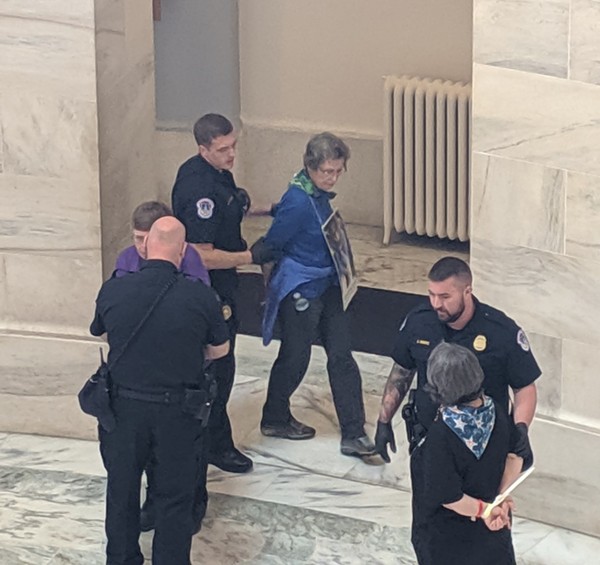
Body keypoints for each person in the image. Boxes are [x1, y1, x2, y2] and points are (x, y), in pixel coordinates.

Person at [374, 256, 540, 562]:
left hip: (486, 451)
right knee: (429, 530)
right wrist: (384, 419)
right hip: (430, 441)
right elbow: (402, 370)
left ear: (467, 291)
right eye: (432, 295)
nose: (437, 304)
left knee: (489, 535)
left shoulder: (500, 331)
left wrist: (520, 430)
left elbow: (525, 387)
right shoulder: (419, 321)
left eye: (445, 296)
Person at [90, 217, 230, 565]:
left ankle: (121, 558)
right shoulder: (200, 296)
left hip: (122, 409)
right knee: (174, 496)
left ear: (146, 245)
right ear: (183, 251)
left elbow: (102, 333)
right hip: (178, 412)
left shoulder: (114, 289)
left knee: (121, 490)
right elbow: (220, 349)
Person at [257, 132, 376, 458]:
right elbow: (274, 242)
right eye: (326, 171)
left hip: (328, 284)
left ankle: (354, 431)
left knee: (341, 355)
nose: (332, 177)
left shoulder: (315, 195)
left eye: (338, 171)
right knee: (296, 357)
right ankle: (275, 415)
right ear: (310, 166)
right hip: (302, 290)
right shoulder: (297, 201)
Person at [171, 113, 276, 474]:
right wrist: (250, 257)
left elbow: (233, 206)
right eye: (223, 149)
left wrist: (271, 208)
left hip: (226, 285)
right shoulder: (199, 189)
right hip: (211, 292)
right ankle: (215, 444)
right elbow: (200, 253)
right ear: (203, 149)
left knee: (224, 367)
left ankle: (214, 437)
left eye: (233, 146)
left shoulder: (217, 175)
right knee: (218, 369)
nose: (231, 154)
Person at [114, 201, 211, 534]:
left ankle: (193, 503)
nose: (142, 246)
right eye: (137, 238)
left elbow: (203, 315)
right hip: (140, 371)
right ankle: (152, 503)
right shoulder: (126, 260)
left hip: (180, 369)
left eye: (147, 238)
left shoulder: (190, 260)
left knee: (185, 452)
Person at [419, 342, 524, 565]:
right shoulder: (497, 409)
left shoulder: (443, 434)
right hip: (495, 531)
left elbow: (448, 496)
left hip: (452, 539)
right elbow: (515, 458)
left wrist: (485, 510)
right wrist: (499, 501)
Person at [114, 200, 210, 285]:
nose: (143, 246)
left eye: (150, 239)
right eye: (139, 238)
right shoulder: (127, 257)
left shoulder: (188, 256)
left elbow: (200, 294)